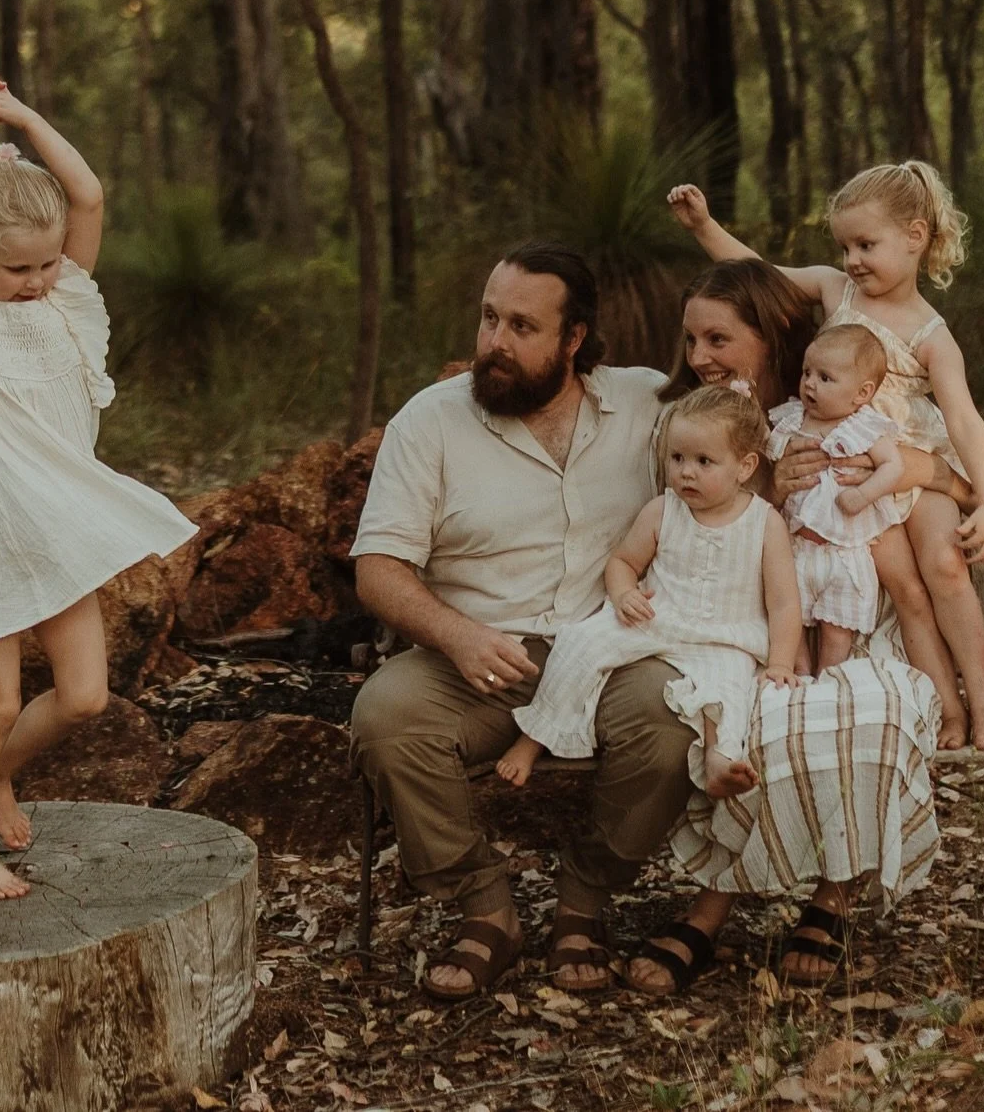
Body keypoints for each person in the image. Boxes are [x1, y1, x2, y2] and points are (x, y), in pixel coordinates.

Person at [350, 241, 687, 1002]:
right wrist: (457, 636)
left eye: (522, 326)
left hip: (611, 651)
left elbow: (763, 377)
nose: (495, 342)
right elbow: (378, 569)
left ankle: (584, 900)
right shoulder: (430, 421)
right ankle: (486, 907)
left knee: (675, 721)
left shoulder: (645, 403)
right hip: (476, 658)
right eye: (488, 318)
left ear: (575, 339)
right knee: (384, 718)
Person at [0, 71, 198, 900]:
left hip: (55, 530)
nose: (34, 278)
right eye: (16, 266)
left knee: (85, 696)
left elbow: (89, 193)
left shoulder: (72, 303)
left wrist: (20, 114)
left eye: (47, 260)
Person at [669, 164, 984, 750]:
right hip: (842, 474)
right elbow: (760, 274)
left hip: (907, 461)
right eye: (845, 245)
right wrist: (704, 226)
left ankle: (982, 703)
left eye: (866, 244)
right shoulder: (836, 289)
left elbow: (963, 419)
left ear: (916, 235)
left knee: (945, 566)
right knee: (899, 584)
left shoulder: (932, 335)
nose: (852, 258)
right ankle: (939, 707)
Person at [498, 386, 801, 801]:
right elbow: (623, 562)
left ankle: (719, 758)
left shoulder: (765, 524)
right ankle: (536, 733)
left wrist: (781, 661)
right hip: (657, 619)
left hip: (724, 637)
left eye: (703, 461)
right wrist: (623, 595)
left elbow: (784, 603)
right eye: (677, 459)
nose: (686, 472)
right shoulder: (663, 510)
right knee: (580, 644)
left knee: (731, 687)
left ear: (745, 466)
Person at [767, 326, 910, 676]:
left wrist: (863, 494)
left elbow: (894, 467)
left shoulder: (862, 427)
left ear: (862, 393)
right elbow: (769, 459)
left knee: (836, 635)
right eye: (807, 373)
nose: (810, 384)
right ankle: (797, 677)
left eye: (825, 378)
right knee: (789, 623)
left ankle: (830, 683)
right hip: (797, 549)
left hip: (844, 554)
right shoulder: (791, 420)